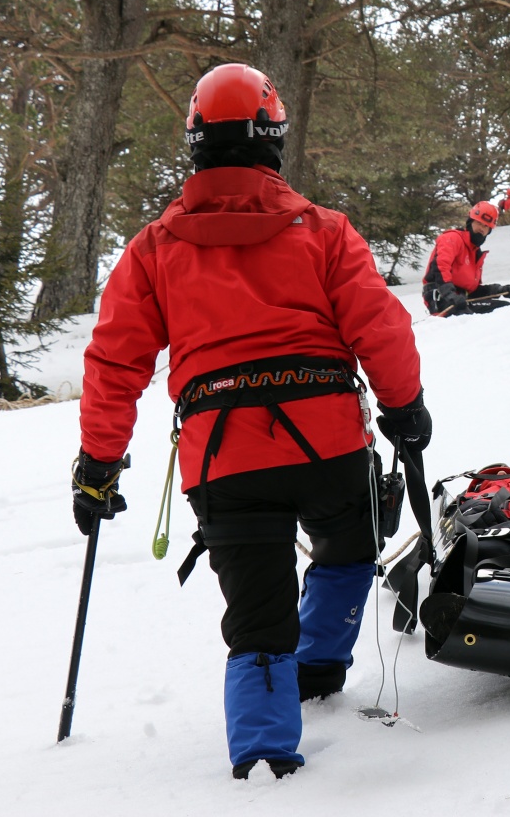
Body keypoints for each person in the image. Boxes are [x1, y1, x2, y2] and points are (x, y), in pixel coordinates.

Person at [74, 63, 430, 779]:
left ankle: (266, 757)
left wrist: (97, 466)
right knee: (350, 546)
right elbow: (380, 329)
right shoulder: (324, 231)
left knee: (258, 619)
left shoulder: (151, 250)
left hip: (224, 462)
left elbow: (116, 364)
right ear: (273, 137)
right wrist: (405, 408)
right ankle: (323, 666)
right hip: (329, 444)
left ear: (196, 143)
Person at [421, 201, 510, 315]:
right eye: (479, 223)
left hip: (461, 299)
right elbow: (440, 268)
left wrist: (500, 290)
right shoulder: (452, 238)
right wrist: (449, 295)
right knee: (471, 318)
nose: (482, 228)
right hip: (442, 298)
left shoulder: (474, 253)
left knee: (505, 309)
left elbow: (473, 291)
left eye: (486, 226)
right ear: (470, 222)